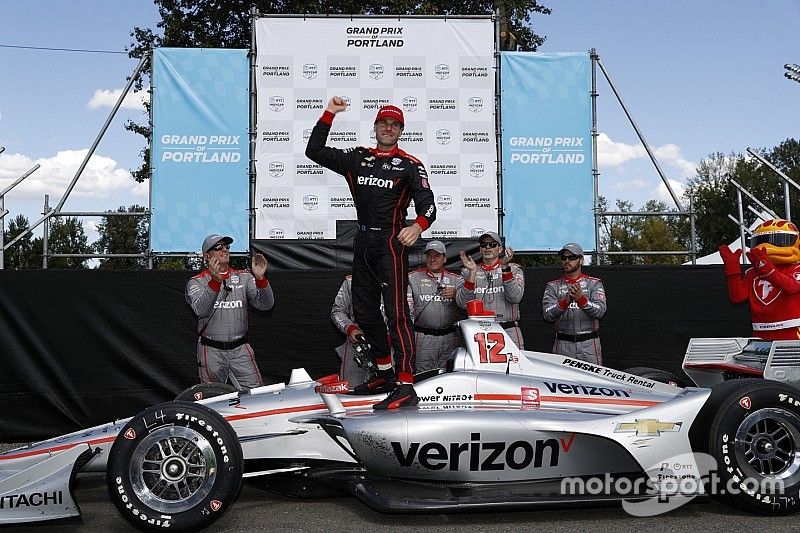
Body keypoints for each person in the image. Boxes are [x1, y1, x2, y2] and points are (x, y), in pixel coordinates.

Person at [305, 96, 436, 409]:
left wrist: (417, 226)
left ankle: (405, 384)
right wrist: (330, 113)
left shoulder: (410, 164)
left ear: (401, 131)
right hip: (362, 242)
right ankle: (384, 371)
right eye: (383, 123)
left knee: (396, 315)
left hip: (391, 244)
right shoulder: (358, 158)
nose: (388, 129)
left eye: (394, 125)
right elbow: (315, 151)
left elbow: (428, 205)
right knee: (363, 312)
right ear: (375, 126)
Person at [186, 234, 274, 389]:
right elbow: (201, 310)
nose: (224, 250)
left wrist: (260, 278)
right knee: (212, 398)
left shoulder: (244, 277)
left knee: (257, 396)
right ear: (207, 256)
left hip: (240, 348)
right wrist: (215, 281)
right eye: (218, 247)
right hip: (211, 349)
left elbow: (266, 305)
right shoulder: (196, 281)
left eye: (227, 246)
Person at [720, 219, 800, 340]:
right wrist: (732, 269)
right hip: (761, 332)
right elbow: (737, 297)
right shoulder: (752, 272)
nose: (767, 246)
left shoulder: (796, 268)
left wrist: (766, 269)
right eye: (760, 241)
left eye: (778, 240)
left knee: (790, 359)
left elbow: (790, 287)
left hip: (792, 330)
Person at [457, 231, 525, 349]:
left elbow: (515, 298)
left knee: (515, 367)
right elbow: (462, 304)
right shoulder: (468, 271)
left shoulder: (513, 269)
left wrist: (505, 268)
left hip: (507, 329)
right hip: (479, 332)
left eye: (492, 244)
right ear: (480, 249)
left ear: (500, 249)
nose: (488, 247)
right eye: (484, 245)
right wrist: (472, 273)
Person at [542, 243, 607, 364]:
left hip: (589, 344)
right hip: (563, 344)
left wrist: (581, 299)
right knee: (561, 382)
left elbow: (600, 311)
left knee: (592, 382)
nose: (567, 261)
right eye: (564, 258)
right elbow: (547, 315)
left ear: (581, 260)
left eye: (571, 257)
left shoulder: (594, 283)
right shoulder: (553, 286)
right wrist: (565, 302)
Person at [408, 240, 464, 373]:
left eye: (437, 256)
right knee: (423, 376)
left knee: (450, 375)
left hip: (450, 337)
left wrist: (457, 294)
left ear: (444, 259)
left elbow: (467, 303)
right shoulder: (412, 278)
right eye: (429, 256)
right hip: (423, 337)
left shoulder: (457, 280)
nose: (432, 259)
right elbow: (407, 310)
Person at [330, 274, 385, 386]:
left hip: (388, 345)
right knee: (351, 390)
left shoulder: (397, 280)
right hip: (357, 344)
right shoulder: (350, 281)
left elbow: (409, 313)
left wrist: (392, 336)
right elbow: (337, 311)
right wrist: (350, 329)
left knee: (390, 392)